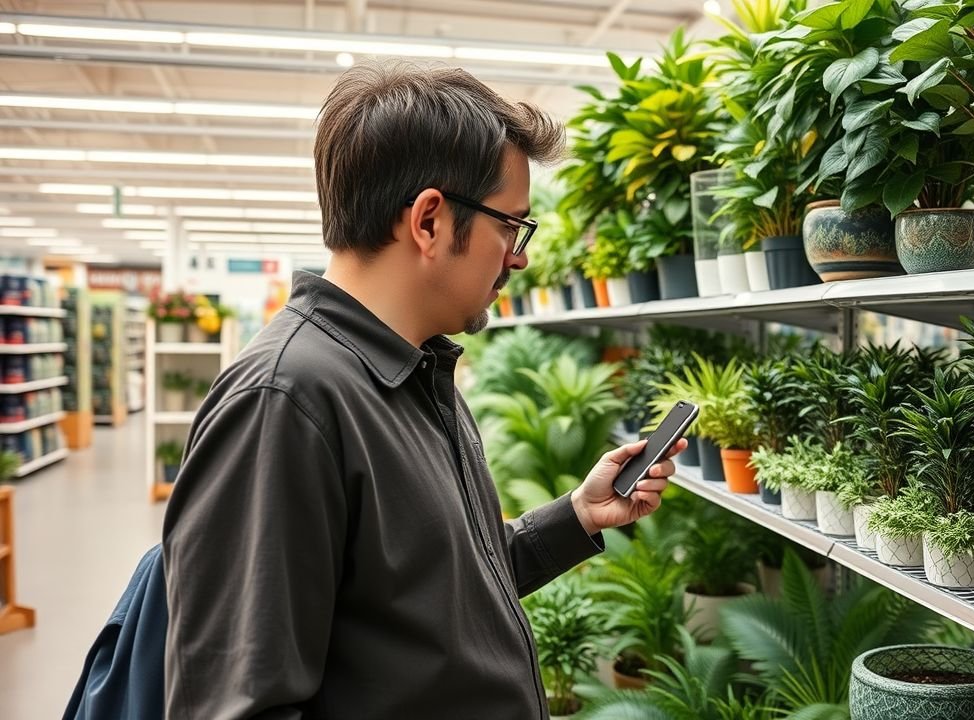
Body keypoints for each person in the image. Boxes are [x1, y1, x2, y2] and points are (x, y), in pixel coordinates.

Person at [162, 61, 685, 720]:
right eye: (511, 226)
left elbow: (438, 594)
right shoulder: (286, 402)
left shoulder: (413, 371)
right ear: (430, 220)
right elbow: (236, 705)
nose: (519, 257)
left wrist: (577, 516)